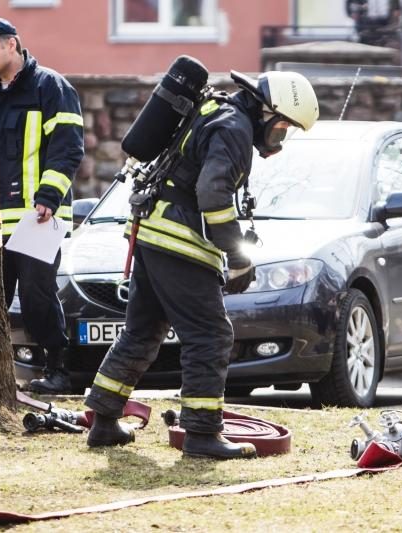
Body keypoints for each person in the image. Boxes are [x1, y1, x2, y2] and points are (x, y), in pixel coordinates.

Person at [84, 70, 319, 459]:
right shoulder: (235, 128)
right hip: (180, 242)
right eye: (281, 129)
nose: (278, 141)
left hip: (151, 233)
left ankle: (104, 421)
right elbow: (213, 196)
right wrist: (239, 258)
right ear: (265, 112)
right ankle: (202, 433)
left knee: (142, 331)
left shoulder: (217, 111)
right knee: (210, 335)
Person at [0, 18, 84, 394]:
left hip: (37, 218)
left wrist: (49, 197)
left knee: (37, 296)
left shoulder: (51, 87)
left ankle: (58, 370)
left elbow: (68, 148)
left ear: (11, 44)